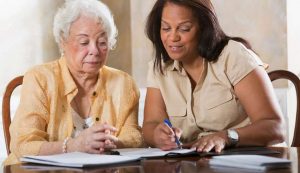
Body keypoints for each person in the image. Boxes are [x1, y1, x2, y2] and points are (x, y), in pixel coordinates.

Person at [4, 0, 143, 165]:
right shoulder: (40, 78)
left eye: (102, 42)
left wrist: (113, 142)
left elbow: (134, 136)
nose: (95, 51)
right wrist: (74, 146)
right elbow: (23, 145)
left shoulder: (123, 83)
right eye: (84, 42)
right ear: (63, 41)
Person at [142, 0, 285, 153]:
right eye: (166, 28)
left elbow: (275, 127)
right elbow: (151, 124)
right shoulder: (160, 67)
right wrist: (158, 135)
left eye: (184, 29)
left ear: (204, 28)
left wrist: (226, 137)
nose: (172, 37)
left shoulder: (234, 56)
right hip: (191, 163)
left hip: (244, 160)